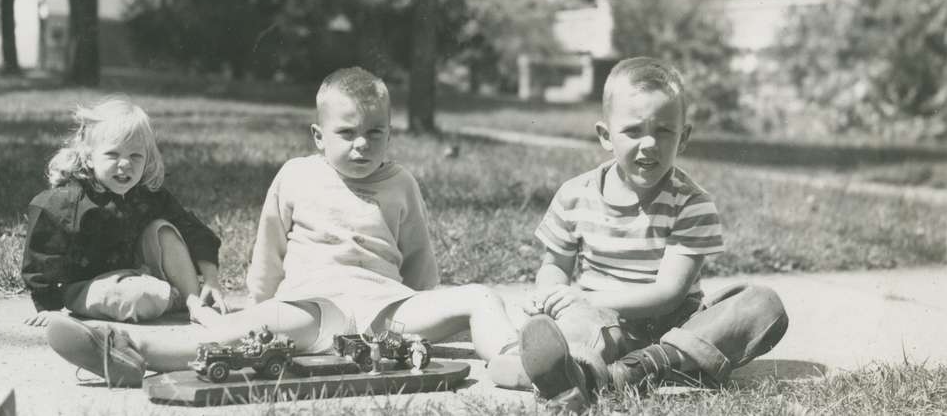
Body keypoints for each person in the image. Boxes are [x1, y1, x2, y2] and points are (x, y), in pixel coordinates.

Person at [41, 66, 554, 388]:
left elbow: (419, 264)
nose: (361, 145)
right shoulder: (296, 175)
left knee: (482, 296)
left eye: (375, 133)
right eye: (347, 133)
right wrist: (259, 303)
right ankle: (126, 351)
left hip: (387, 308)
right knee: (243, 332)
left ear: (390, 134)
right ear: (317, 135)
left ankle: (518, 363)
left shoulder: (403, 185)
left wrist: (420, 317)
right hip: (316, 307)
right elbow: (269, 252)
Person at [508, 57, 788, 410]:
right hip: (604, 322)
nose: (650, 143)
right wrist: (551, 294)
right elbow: (555, 264)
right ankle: (572, 369)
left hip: (677, 328)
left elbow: (669, 292)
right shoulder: (575, 194)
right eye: (634, 131)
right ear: (605, 136)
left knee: (762, 304)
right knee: (576, 323)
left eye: (664, 131)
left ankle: (623, 372)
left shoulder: (692, 202)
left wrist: (590, 299)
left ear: (683, 138)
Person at [20, 97, 227, 332]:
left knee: (164, 228)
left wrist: (211, 279)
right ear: (88, 156)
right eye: (112, 154)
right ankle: (171, 297)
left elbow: (194, 231)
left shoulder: (149, 195)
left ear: (147, 159)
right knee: (136, 297)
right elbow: (43, 256)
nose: (125, 164)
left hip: (139, 273)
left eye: (135, 156)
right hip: (90, 285)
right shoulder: (64, 202)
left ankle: (194, 303)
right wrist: (49, 307)